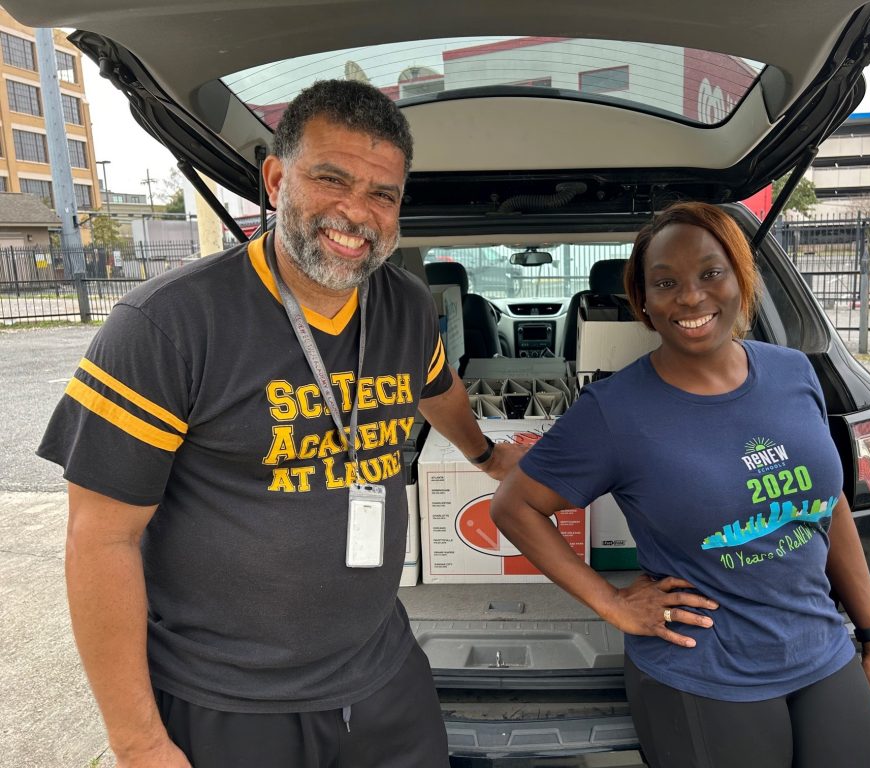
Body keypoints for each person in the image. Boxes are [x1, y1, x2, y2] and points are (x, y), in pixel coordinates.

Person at [38, 79, 522, 768]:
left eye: (382, 194)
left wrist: (483, 455)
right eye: (331, 179)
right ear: (274, 178)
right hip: (229, 703)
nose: (356, 213)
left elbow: (438, 388)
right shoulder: (168, 326)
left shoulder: (407, 307)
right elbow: (99, 543)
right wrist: (139, 742)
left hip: (384, 676)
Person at [490, 201, 870, 768]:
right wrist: (611, 603)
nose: (690, 297)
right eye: (665, 282)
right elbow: (515, 507)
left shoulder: (793, 372)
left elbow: (826, 506)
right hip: (705, 671)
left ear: (740, 277)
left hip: (822, 650)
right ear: (643, 300)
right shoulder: (615, 411)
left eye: (711, 273)